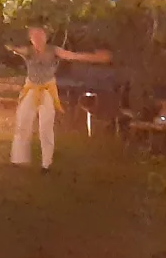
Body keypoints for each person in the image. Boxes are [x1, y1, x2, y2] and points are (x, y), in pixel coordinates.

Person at [8, 26, 112, 172]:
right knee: (22, 121)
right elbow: (14, 48)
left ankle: (46, 164)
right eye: (34, 36)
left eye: (40, 35)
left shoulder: (54, 50)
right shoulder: (29, 51)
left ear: (46, 37)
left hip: (47, 90)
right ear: (31, 39)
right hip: (30, 88)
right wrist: (11, 46)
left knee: (46, 126)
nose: (38, 39)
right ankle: (18, 159)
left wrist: (96, 58)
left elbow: (73, 56)